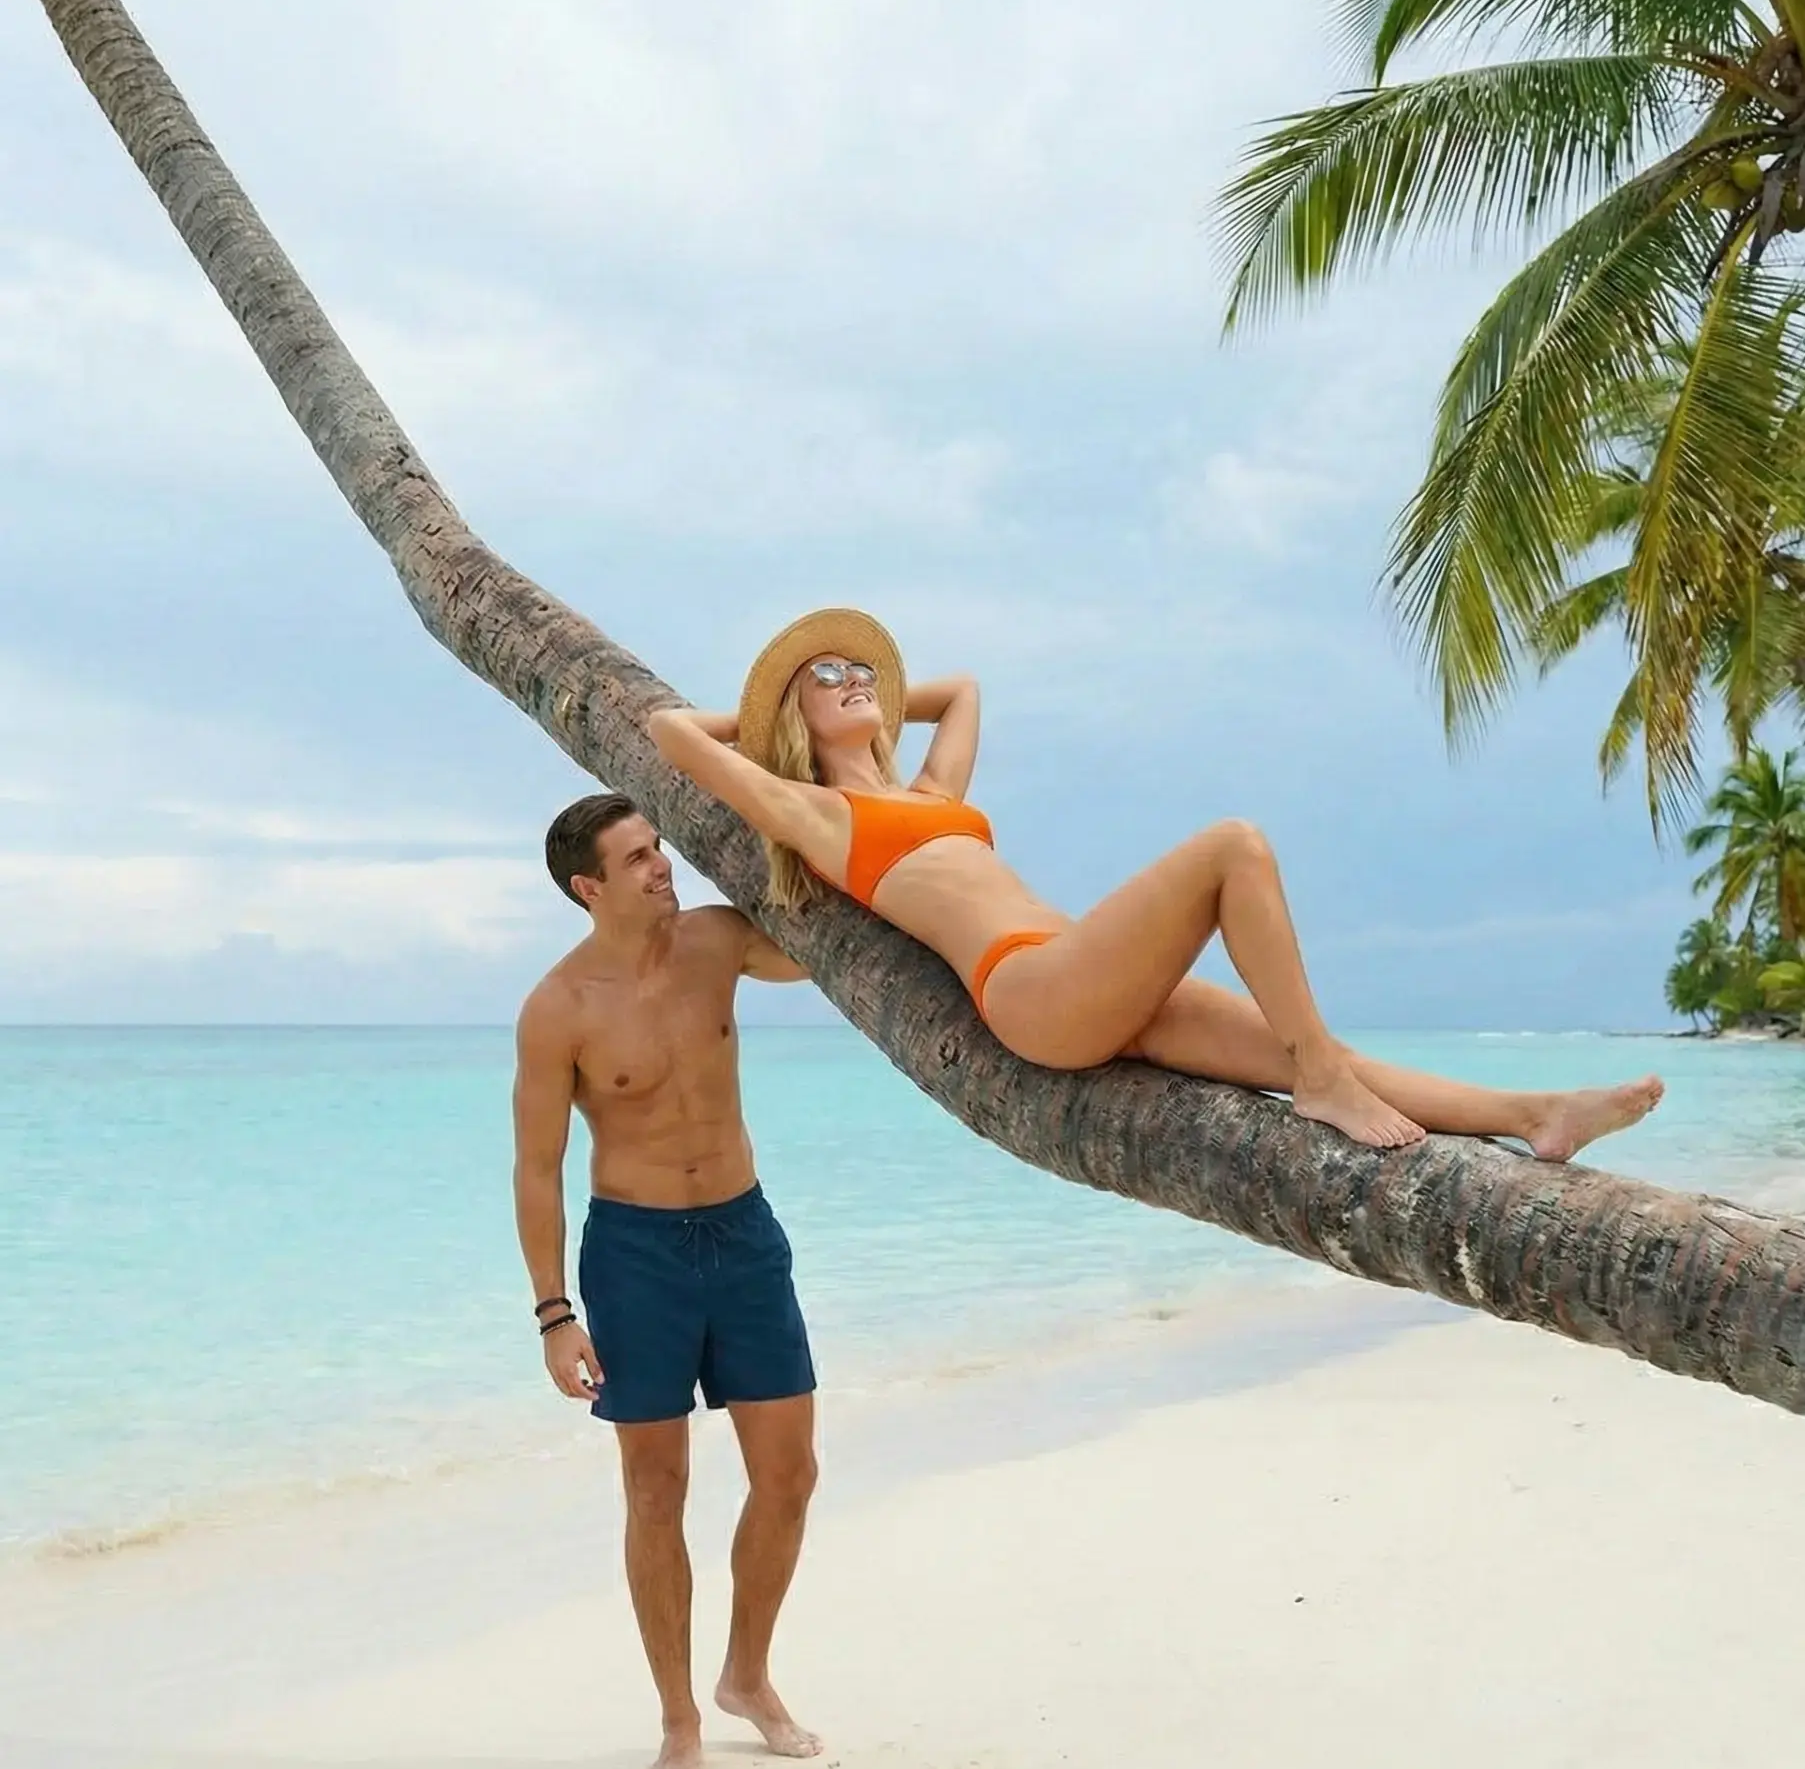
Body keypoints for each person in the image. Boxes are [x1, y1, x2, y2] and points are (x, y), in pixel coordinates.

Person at [647, 607, 1665, 1160]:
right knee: (1232, 848)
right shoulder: (822, 817)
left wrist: (856, 690)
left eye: (857, 669)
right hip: (1030, 989)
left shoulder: (927, 789)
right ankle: (1320, 1082)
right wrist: (766, 708)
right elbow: (669, 733)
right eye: (825, 679)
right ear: (791, 718)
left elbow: (963, 692)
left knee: (1312, 1045)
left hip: (1086, 973)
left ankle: (1534, 1112)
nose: (852, 679)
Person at [513, 792, 824, 1769]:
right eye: (636, 857)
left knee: (789, 1473)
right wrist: (554, 1314)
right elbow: (535, 1167)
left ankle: (746, 1672)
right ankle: (679, 1719)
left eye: (658, 846)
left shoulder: (718, 941)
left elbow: (823, 950)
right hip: (634, 1253)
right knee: (656, 1490)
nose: (660, 866)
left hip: (744, 1234)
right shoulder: (557, 1007)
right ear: (587, 886)